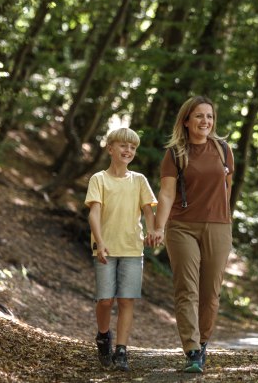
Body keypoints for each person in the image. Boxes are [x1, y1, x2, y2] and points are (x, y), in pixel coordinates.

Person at [150, 96, 234, 374]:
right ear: (186, 121)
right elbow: (166, 193)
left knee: (211, 293)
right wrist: (158, 227)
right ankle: (192, 350)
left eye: (209, 116)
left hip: (218, 226)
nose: (205, 121)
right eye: (199, 116)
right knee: (187, 289)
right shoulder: (175, 153)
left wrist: (222, 218)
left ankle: (204, 340)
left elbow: (227, 188)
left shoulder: (223, 150)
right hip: (182, 226)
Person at [84, 127, 157, 371]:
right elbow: (94, 213)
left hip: (132, 249)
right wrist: (100, 241)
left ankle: (122, 350)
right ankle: (104, 336)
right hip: (105, 248)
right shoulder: (99, 179)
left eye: (133, 148)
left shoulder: (139, 180)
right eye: (124, 146)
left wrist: (153, 230)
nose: (128, 151)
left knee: (127, 300)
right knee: (105, 300)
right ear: (110, 148)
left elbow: (148, 211)